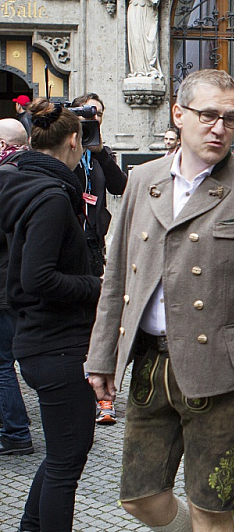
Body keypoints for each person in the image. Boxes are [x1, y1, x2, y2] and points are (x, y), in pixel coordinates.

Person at [85, 69, 234, 532]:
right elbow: (117, 276)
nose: (219, 128)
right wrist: (101, 358)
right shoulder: (144, 180)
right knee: (139, 497)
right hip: (151, 364)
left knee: (213, 508)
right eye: (207, 115)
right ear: (179, 115)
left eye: (230, 119)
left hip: (222, 375)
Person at [0, 98, 101, 531]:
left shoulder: (23, 184)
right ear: (74, 141)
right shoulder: (52, 198)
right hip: (55, 346)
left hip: (41, 341)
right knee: (66, 462)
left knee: (64, 455)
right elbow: (38, 278)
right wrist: (100, 286)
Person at [71, 92, 128, 425]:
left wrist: (102, 154)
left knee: (101, 322)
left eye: (100, 115)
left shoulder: (100, 154)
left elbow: (121, 187)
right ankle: (80, 391)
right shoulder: (66, 152)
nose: (95, 121)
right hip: (68, 245)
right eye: (90, 115)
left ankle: (104, 397)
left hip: (95, 245)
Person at [0, 118, 33, 457]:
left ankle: (16, 431)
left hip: (4, 283)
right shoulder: (26, 172)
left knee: (2, 363)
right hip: (13, 280)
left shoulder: (8, 176)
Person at [127, 0, 163, 78]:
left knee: (150, 41)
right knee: (136, 40)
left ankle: (150, 69)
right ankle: (139, 70)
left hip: (149, 8)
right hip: (135, 7)